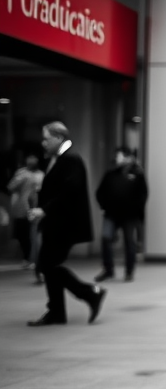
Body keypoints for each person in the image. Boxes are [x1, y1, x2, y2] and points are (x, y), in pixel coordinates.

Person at [26, 122, 106, 326]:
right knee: (49, 265)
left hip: (64, 225)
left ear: (59, 138)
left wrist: (44, 209)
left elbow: (70, 190)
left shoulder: (70, 159)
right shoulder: (60, 159)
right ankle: (58, 311)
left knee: (47, 264)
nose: (43, 143)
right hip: (57, 224)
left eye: (46, 138)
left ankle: (89, 293)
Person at [94, 146, 148, 282]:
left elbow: (143, 195)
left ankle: (129, 271)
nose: (116, 158)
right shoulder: (111, 174)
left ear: (127, 157)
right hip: (111, 214)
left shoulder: (137, 174)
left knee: (130, 242)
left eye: (118, 155)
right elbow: (100, 192)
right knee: (106, 239)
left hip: (130, 216)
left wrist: (137, 211)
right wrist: (104, 207)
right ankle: (108, 269)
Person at [6, 154, 44, 271]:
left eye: (34, 158)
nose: (31, 160)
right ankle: (28, 258)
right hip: (22, 208)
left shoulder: (41, 175)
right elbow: (11, 186)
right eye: (30, 158)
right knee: (23, 234)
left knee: (32, 235)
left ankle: (32, 259)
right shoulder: (22, 173)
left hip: (35, 207)